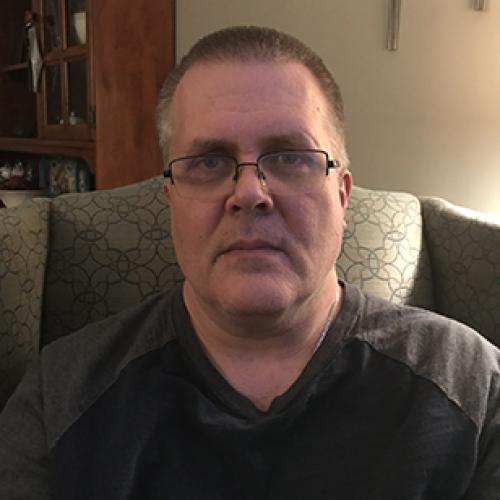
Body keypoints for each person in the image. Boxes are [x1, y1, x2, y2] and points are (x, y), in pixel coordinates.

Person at [0, 25, 499, 500]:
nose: (249, 193)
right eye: (208, 162)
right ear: (171, 200)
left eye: (291, 157)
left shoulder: (472, 384)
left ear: (342, 196)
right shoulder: (60, 395)